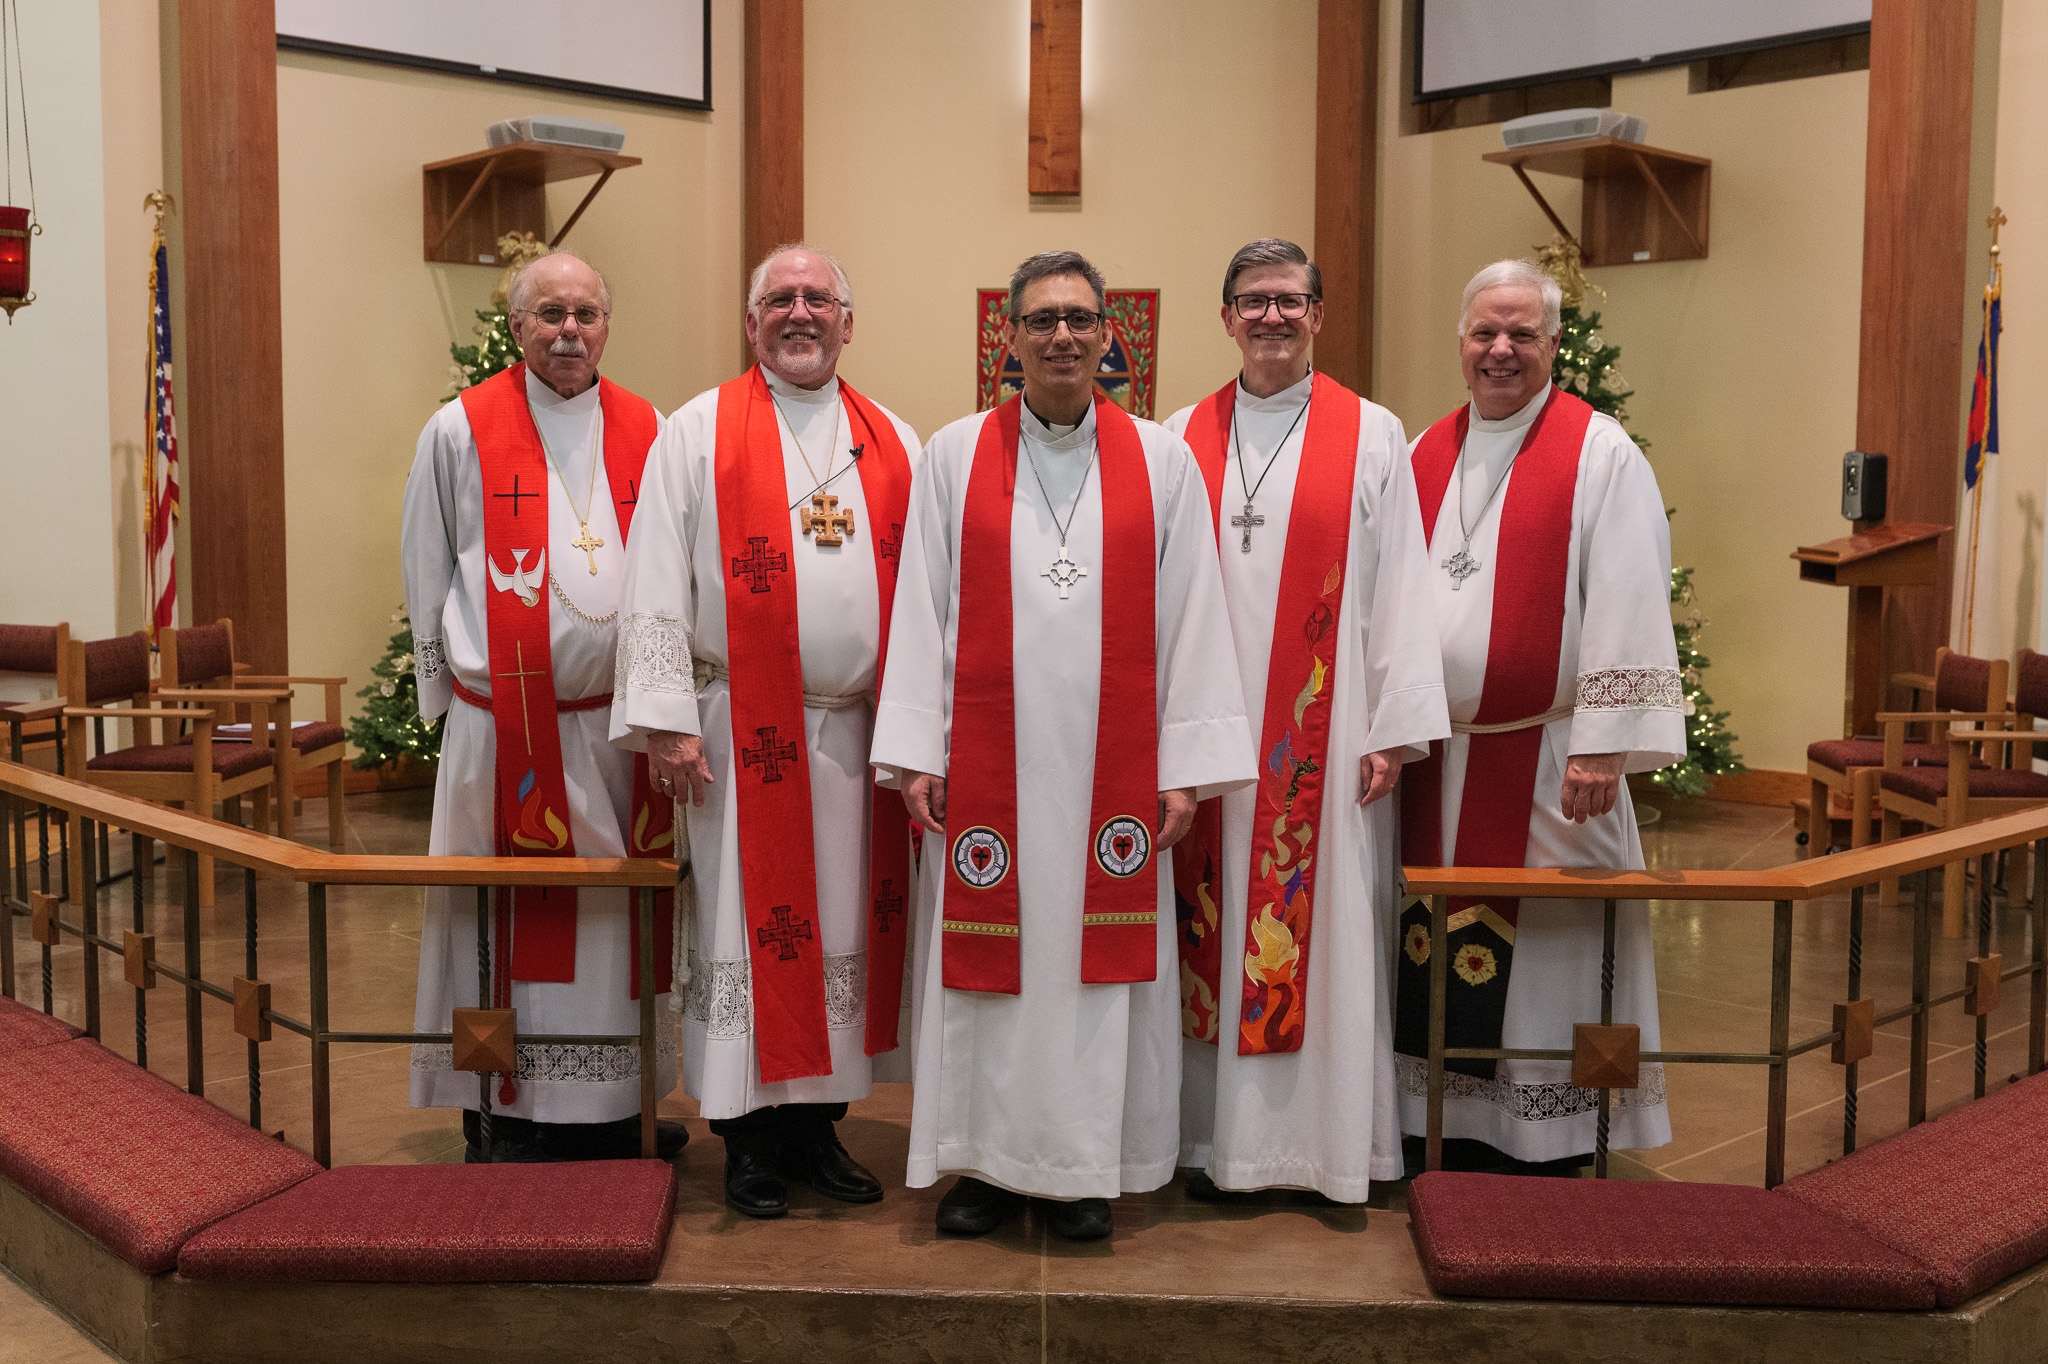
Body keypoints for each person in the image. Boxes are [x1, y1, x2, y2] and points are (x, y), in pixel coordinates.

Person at [872, 250, 1254, 1242]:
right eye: (1041, 320)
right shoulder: (954, 454)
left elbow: (1194, 615)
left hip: (1109, 777)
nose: (1062, 337)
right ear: (1009, 337)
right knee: (987, 980)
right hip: (984, 773)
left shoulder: (1161, 461)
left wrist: (1183, 769)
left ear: (1108, 335)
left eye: (1080, 319)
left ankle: (1085, 1167)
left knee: (1095, 981)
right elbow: (919, 603)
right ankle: (985, 1166)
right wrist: (916, 752)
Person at [611, 245, 921, 1218]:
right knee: (747, 928)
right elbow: (654, 577)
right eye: (779, 299)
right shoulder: (698, 430)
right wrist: (666, 722)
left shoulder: (893, 440)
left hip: (857, 736)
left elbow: (926, 597)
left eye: (817, 298)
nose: (799, 313)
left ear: (847, 322)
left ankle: (816, 1126)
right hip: (741, 730)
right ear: (751, 324)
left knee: (839, 929)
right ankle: (745, 1138)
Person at [1163, 239, 1448, 1204]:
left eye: (1290, 301)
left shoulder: (1371, 434)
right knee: (1203, 931)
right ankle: (1206, 1142)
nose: (1272, 317)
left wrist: (1394, 728)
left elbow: (1403, 581)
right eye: (1254, 301)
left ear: (1319, 316)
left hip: (1325, 737)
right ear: (1227, 318)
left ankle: (1312, 1150)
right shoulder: (1180, 434)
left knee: (1321, 938)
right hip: (1203, 732)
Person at [1394, 258, 1683, 1172]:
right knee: (1426, 936)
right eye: (1485, 332)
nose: (1501, 350)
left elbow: (1631, 595)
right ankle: (1436, 1121)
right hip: (1435, 760)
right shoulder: (1423, 452)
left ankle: (1547, 1136)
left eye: (1522, 334)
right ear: (1461, 341)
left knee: (1554, 956)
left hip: (1553, 758)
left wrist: (1605, 745)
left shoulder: (1599, 452)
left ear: (1554, 343)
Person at [402, 251, 684, 1163]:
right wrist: (451, 710)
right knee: (497, 924)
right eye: (551, 314)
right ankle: (500, 1109)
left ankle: (615, 1107)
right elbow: (425, 566)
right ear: (518, 326)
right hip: (501, 734)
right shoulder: (459, 429)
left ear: (607, 325)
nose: (570, 331)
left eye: (586, 314)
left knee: (609, 931)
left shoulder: (650, 428)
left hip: (616, 731)